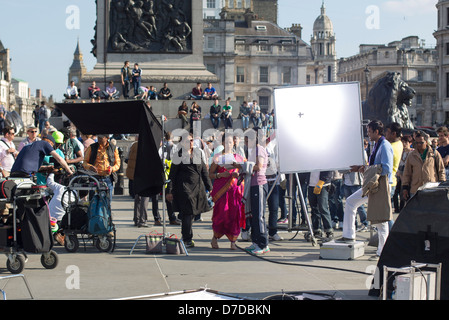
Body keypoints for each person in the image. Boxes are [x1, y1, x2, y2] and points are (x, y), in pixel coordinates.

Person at [338, 120, 393, 261]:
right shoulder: (377, 145)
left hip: (380, 185)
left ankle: (382, 252)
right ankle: (349, 236)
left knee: (381, 220)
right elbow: (377, 165)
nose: (367, 134)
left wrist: (366, 168)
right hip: (372, 184)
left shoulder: (385, 146)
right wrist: (364, 167)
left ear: (376, 131)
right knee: (350, 202)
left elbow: (386, 168)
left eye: (369, 131)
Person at [166, 133, 213, 248]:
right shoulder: (179, 155)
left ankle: (186, 236)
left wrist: (210, 187)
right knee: (188, 212)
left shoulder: (197, 153)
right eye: (188, 141)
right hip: (184, 188)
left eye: (192, 140)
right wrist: (169, 191)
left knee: (191, 214)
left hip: (197, 188)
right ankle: (187, 238)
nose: (190, 143)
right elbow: (173, 175)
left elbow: (204, 172)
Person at [209, 134, 246, 250]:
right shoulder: (217, 157)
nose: (228, 144)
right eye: (226, 142)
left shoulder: (239, 157)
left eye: (230, 142)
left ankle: (233, 241)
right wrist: (221, 174)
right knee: (221, 214)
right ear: (222, 143)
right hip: (222, 191)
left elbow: (246, 171)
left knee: (234, 215)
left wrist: (239, 173)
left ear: (234, 143)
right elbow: (210, 174)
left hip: (235, 192)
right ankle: (215, 238)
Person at [402, 130, 446, 201]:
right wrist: (405, 188)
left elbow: (441, 170)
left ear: (426, 142)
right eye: (417, 143)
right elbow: (407, 173)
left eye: (421, 142)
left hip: (431, 189)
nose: (419, 145)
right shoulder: (411, 155)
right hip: (416, 189)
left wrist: (442, 185)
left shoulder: (434, 154)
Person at [83, 134, 121, 200]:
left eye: (101, 138)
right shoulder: (92, 147)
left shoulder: (113, 148)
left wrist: (112, 169)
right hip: (94, 178)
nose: (99, 139)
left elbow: (117, 163)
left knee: (107, 201)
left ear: (107, 138)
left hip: (107, 178)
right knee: (93, 200)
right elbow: (85, 162)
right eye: (98, 137)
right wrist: (90, 167)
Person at [307, 170, 334, 241]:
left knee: (323, 208)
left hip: (323, 186)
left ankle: (329, 230)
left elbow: (328, 170)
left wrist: (323, 180)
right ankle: (316, 230)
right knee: (314, 209)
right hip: (311, 185)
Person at [385, 122, 403, 219]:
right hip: (392, 181)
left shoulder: (390, 147)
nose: (386, 134)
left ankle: (390, 232)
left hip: (388, 182)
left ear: (394, 133)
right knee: (385, 212)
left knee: (384, 213)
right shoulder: (399, 143)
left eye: (388, 132)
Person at [395, 135, 413, 212]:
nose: (404, 144)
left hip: (407, 173)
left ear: (410, 143)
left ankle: (403, 210)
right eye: (402, 142)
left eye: (406, 142)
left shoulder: (412, 152)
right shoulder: (400, 151)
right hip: (399, 172)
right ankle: (397, 208)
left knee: (404, 193)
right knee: (396, 193)